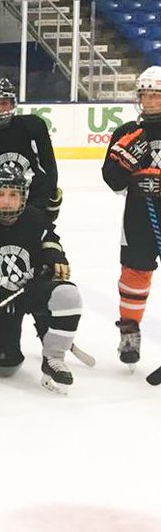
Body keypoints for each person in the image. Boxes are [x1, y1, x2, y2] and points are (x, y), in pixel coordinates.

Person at [0, 165, 81, 393]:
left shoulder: (35, 218)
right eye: (0, 194)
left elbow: (49, 238)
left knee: (68, 294)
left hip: (30, 292)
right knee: (4, 367)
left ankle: (53, 357)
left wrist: (55, 255)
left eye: (13, 194)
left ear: (23, 197)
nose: (6, 201)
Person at [102, 66, 161, 369]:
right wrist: (125, 164)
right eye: (145, 95)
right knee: (134, 273)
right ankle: (129, 331)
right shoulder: (126, 132)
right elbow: (112, 180)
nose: (149, 101)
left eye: (156, 96)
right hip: (138, 217)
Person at [0, 77, 61, 220]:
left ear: (13, 104)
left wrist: (48, 198)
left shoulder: (33, 126)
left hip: (33, 206)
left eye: (4, 103)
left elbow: (49, 166)